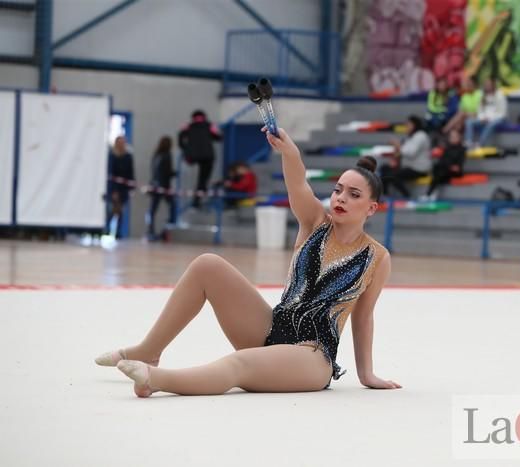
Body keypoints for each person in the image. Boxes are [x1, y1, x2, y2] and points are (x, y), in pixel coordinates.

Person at [95, 127, 401, 396]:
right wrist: (290, 153)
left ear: (371, 208)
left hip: (312, 354)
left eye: (353, 194)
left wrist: (366, 374)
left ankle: (157, 380)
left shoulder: (377, 257)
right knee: (207, 264)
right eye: (337, 190)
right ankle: (150, 351)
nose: (341, 198)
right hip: (271, 328)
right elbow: (298, 184)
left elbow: (363, 318)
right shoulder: (315, 223)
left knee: (237, 364)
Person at [178, 110, 222, 208]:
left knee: (198, 179)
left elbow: (180, 138)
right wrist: (215, 131)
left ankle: (197, 198)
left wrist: (185, 150)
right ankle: (199, 196)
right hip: (207, 156)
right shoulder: (209, 125)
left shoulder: (189, 126)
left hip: (193, 157)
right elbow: (219, 138)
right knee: (203, 178)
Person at [380, 115, 431, 198]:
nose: (406, 126)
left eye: (408, 124)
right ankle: (385, 194)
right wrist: (395, 159)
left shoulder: (421, 136)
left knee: (393, 175)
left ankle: (407, 196)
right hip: (408, 167)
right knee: (384, 168)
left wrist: (398, 145)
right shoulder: (411, 136)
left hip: (419, 169)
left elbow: (410, 153)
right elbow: (402, 153)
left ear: (414, 125)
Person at [422, 129, 465, 201]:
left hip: (454, 171)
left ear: (460, 137)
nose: (453, 138)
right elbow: (442, 160)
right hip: (445, 169)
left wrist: (455, 167)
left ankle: (429, 194)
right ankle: (432, 193)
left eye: (455, 136)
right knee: (437, 169)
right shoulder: (447, 148)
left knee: (440, 172)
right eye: (451, 137)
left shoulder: (462, 149)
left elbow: (459, 163)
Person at [147, 136, 176, 242]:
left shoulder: (156, 155)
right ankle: (168, 229)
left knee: (152, 211)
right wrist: (175, 174)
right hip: (163, 187)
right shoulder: (167, 155)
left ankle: (151, 231)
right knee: (173, 207)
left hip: (155, 186)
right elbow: (166, 172)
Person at [465, 78, 507, 148]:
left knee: (491, 124)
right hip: (485, 118)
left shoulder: (500, 95)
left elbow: (502, 113)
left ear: (493, 85)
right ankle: (468, 142)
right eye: (485, 84)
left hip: (499, 118)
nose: (486, 86)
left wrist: (489, 118)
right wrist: (482, 118)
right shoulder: (482, 95)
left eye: (488, 85)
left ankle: (481, 143)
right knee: (469, 121)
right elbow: (480, 110)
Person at [106, 136, 135, 239]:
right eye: (119, 142)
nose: (121, 144)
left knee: (121, 212)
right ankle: (107, 230)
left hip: (124, 189)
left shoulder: (128, 157)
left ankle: (118, 232)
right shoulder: (112, 156)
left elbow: (130, 173)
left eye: (123, 142)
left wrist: (132, 187)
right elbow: (110, 173)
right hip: (114, 188)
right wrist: (113, 190)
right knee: (111, 211)